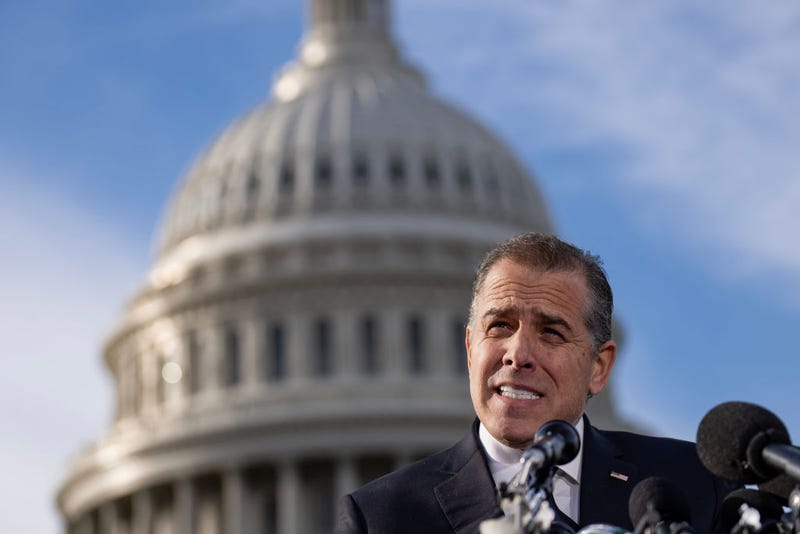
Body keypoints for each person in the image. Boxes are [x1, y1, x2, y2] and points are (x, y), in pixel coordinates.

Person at [335, 233, 731, 533]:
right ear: (471, 349)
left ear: (599, 366)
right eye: (500, 326)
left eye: (551, 333)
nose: (518, 353)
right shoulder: (383, 517)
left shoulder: (694, 484)